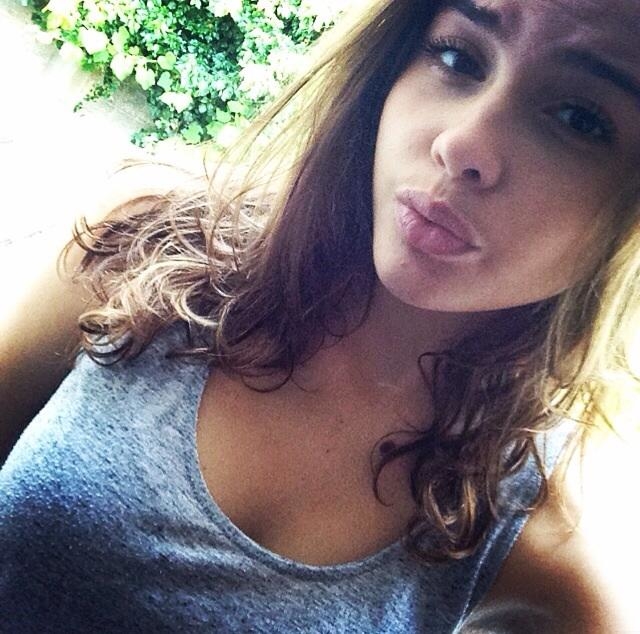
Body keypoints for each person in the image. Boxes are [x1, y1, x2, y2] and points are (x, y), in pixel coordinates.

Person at [1, 0, 639, 630]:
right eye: (456, 56)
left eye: (578, 118)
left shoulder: (538, 536)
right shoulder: (144, 240)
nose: (461, 144)